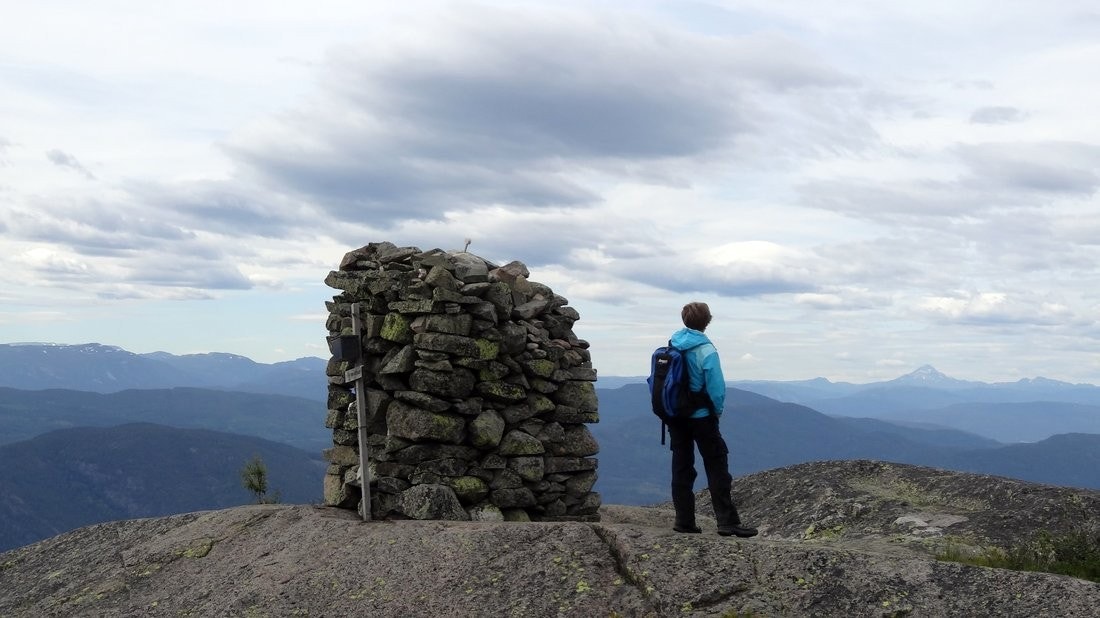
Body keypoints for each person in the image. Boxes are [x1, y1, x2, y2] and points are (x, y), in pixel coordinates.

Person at [666, 301, 758, 538]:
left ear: (684, 319)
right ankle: (727, 522)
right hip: (702, 417)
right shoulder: (706, 350)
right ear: (707, 321)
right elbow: (716, 389)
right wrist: (717, 410)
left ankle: (684, 521)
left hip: (676, 417)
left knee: (682, 466)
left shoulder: (672, 346)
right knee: (717, 465)